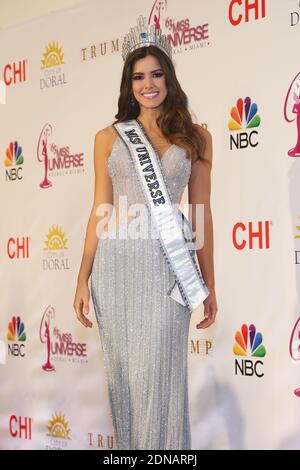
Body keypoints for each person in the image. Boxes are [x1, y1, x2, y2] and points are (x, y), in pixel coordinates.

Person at [73, 15, 218, 450]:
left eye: (156, 74)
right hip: (115, 270)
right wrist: (82, 276)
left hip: (168, 270)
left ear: (169, 78)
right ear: (128, 83)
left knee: (161, 379)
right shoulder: (108, 137)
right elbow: (101, 210)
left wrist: (209, 284)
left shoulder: (196, 137)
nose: (148, 84)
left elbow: (202, 214)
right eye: (138, 76)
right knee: (126, 382)